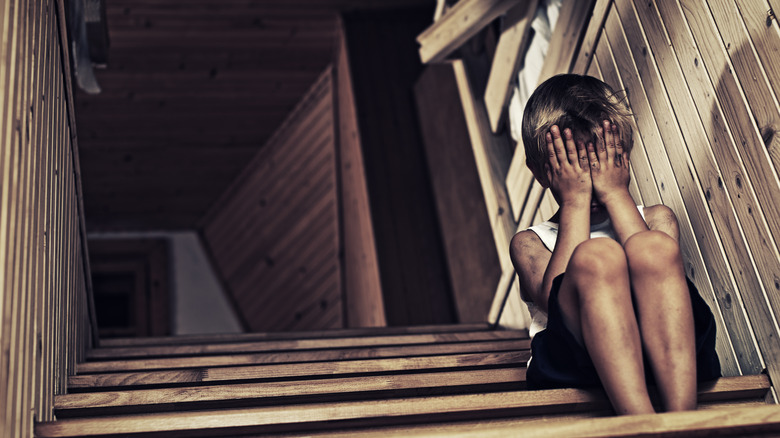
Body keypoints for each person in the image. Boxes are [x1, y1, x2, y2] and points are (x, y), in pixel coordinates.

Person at [509, 74, 720, 415]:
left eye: (600, 164)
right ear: (542, 172)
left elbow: (665, 285)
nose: (590, 181)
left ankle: (683, 421)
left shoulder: (656, 219)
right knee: (597, 255)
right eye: (573, 169)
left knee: (653, 248)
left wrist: (617, 193)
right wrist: (575, 202)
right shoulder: (530, 242)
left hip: (667, 357)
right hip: (577, 365)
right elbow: (551, 300)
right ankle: (644, 426)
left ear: (623, 157)